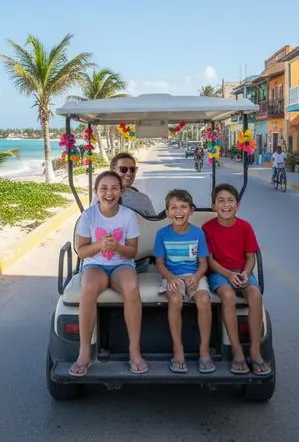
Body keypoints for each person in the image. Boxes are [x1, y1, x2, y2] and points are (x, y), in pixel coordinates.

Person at [70, 170, 148, 377]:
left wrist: (117, 248)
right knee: (87, 287)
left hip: (121, 265)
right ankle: (85, 351)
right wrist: (99, 245)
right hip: (95, 266)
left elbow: (132, 251)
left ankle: (134, 350)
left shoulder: (128, 216)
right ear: (96, 192)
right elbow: (82, 250)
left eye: (114, 188)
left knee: (132, 286)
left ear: (121, 192)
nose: (109, 193)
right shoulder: (89, 216)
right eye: (104, 188)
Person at [202, 183, 272, 376]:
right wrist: (228, 274)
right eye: (221, 201)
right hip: (219, 272)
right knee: (228, 295)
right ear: (213, 206)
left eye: (230, 200)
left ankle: (256, 351)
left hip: (242, 271)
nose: (226, 205)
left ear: (238, 205)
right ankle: (236, 349)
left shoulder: (245, 227)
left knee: (255, 294)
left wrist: (243, 273)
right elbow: (210, 260)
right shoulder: (207, 228)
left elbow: (250, 257)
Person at [154, 189, 215, 374]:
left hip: (194, 274)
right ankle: (177, 349)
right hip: (171, 275)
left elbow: (203, 264)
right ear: (167, 212)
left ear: (191, 210)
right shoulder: (162, 234)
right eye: (173, 207)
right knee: (175, 300)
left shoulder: (198, 233)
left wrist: (196, 277)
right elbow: (159, 263)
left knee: (203, 300)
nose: (178, 211)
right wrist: (171, 277)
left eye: (183, 207)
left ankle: (204, 350)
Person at [110, 152, 156, 217]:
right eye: (123, 169)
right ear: (113, 170)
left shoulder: (142, 199)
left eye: (132, 169)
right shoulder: (143, 199)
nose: (129, 173)